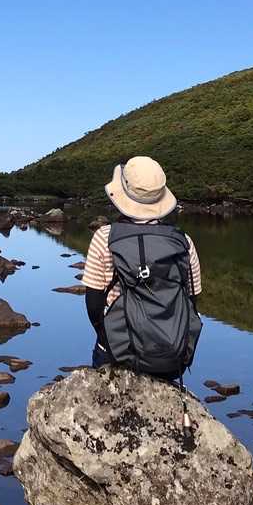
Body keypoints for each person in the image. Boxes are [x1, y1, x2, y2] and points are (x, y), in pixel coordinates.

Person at [82, 156, 202, 381]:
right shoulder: (184, 241)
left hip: (116, 354)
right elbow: (192, 301)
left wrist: (107, 337)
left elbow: (93, 305)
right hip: (171, 355)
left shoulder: (104, 237)